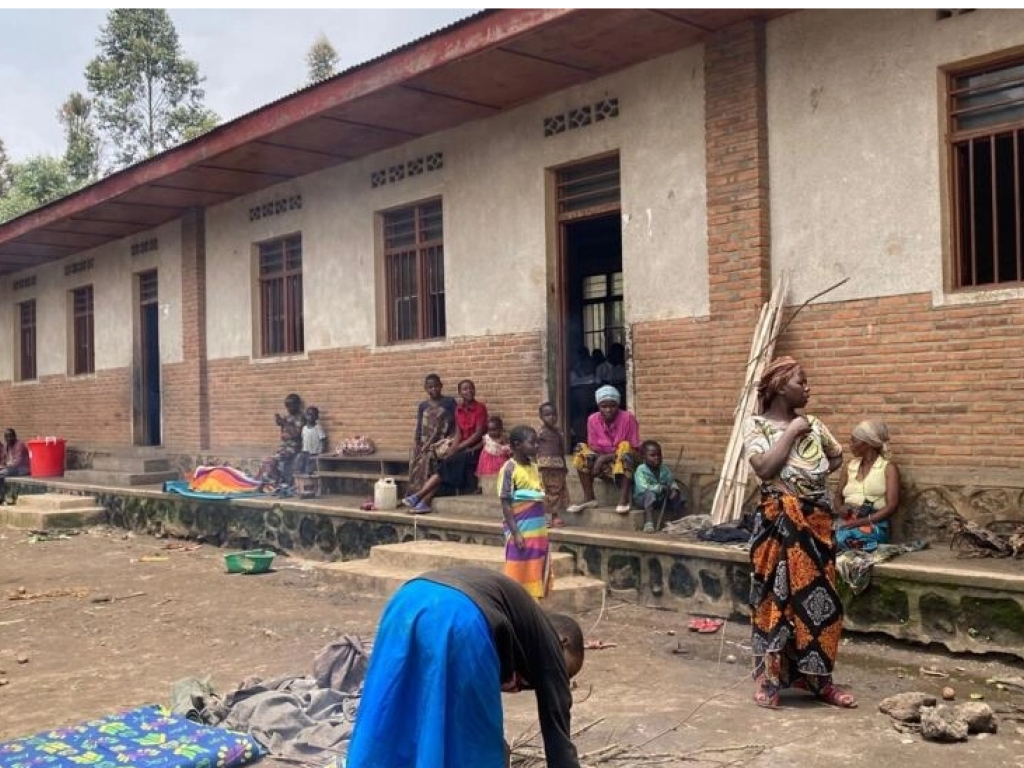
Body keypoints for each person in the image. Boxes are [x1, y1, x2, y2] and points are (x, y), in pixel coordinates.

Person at [345, 566, 585, 768]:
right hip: (459, 616)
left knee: (391, 708)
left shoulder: (520, 617)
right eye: (566, 672)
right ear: (563, 642)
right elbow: (558, 733)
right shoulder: (550, 643)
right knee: (476, 739)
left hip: (405, 602)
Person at [742, 356, 856, 710]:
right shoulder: (757, 426)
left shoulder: (816, 425)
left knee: (820, 604)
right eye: (801, 382)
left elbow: (836, 457)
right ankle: (770, 679)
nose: (808, 388)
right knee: (775, 601)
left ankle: (819, 681)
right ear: (779, 387)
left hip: (816, 525)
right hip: (778, 523)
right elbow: (763, 468)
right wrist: (791, 433)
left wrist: (812, 479)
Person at [405, 379, 488, 512]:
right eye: (465, 389)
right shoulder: (459, 409)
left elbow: (478, 434)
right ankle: (423, 502)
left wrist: (458, 448)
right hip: (462, 449)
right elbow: (458, 433)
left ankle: (420, 496)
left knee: (448, 467)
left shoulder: (480, 408)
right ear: (460, 393)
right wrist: (453, 448)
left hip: (475, 449)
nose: (469, 391)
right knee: (447, 464)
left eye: (471, 388)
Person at [567, 385, 640, 515]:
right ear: (598, 406)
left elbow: (634, 448)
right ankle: (589, 497)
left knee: (625, 447)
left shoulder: (628, 418)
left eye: (612, 406)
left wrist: (604, 458)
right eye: (604, 406)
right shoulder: (593, 419)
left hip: (626, 465)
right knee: (580, 449)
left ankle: (624, 499)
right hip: (604, 464)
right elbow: (593, 447)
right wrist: (600, 459)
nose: (608, 410)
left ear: (618, 405)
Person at [499, 425, 551, 599]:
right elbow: (506, 503)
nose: (536, 446)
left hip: (537, 530)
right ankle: (516, 602)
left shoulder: (534, 467)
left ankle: (534, 603)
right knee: (518, 567)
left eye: (537, 442)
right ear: (517, 444)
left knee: (535, 565)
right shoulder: (509, 468)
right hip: (520, 528)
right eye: (532, 442)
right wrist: (516, 533)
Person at [834, 420, 900, 552]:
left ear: (868, 444)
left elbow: (892, 505)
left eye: (854, 441)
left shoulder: (888, 468)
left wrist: (862, 521)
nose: (850, 445)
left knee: (843, 540)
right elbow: (837, 496)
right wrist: (840, 508)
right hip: (847, 520)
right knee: (820, 539)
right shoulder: (849, 466)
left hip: (873, 523)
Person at [403, 373, 457, 514]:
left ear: (441, 386)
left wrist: (451, 441)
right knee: (417, 463)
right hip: (425, 443)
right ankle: (417, 497)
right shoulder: (423, 406)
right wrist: (417, 443)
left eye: (436, 386)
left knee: (434, 460)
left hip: (442, 442)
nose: (434, 389)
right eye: (430, 387)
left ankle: (423, 498)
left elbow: (456, 424)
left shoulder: (449, 402)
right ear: (425, 388)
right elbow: (420, 425)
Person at [632, 440, 684, 533]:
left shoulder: (664, 469)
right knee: (650, 494)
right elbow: (643, 487)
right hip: (643, 499)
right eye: (652, 455)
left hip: (659, 498)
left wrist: (673, 489)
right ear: (644, 457)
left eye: (659, 455)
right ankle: (649, 522)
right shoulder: (641, 470)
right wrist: (660, 488)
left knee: (676, 494)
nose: (657, 458)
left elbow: (671, 481)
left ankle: (676, 519)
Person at [537, 402, 569, 529]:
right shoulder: (540, 433)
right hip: (544, 467)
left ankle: (555, 516)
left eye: (554, 414)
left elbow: (561, 449)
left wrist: (564, 465)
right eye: (547, 415)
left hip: (558, 467)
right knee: (545, 491)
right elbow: (535, 449)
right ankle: (545, 518)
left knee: (557, 491)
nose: (551, 417)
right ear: (541, 417)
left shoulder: (559, 433)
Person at [262, 393, 304, 489]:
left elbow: (296, 434)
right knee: (267, 461)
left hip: (294, 447)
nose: (288, 409)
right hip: (284, 447)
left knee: (270, 460)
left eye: (290, 406)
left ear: (297, 405)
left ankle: (277, 483)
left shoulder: (300, 417)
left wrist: (284, 423)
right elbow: (284, 431)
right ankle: (277, 482)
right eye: (287, 406)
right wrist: (280, 423)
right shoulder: (287, 417)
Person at [476, 415, 511, 492]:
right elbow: (482, 445)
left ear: (500, 429)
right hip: (486, 459)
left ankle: (501, 487)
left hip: (499, 459)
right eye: (489, 430)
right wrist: (473, 448)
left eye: (494, 430)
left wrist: (506, 449)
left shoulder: (502, 438)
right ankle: (482, 487)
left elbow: (507, 447)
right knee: (486, 474)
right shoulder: (486, 438)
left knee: (500, 474)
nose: (491, 432)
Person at [293, 406, 327, 476]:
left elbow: (323, 440)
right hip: (305, 452)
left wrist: (321, 452)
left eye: (313, 415)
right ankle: (298, 482)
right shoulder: (304, 428)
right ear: (306, 416)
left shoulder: (318, 428)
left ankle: (310, 483)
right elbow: (303, 440)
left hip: (314, 453)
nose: (310, 417)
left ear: (316, 417)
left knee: (310, 469)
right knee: (298, 465)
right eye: (308, 414)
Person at [0, 428, 30, 503]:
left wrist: (5, 467)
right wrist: (2, 465)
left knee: (3, 473)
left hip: (23, 469)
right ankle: (4, 496)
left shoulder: (19, 445)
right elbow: (4, 459)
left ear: (15, 436)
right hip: (11, 469)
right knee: (2, 475)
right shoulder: (7, 446)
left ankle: (4, 496)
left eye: (10, 436)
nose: (8, 438)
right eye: (6, 437)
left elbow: (18, 462)